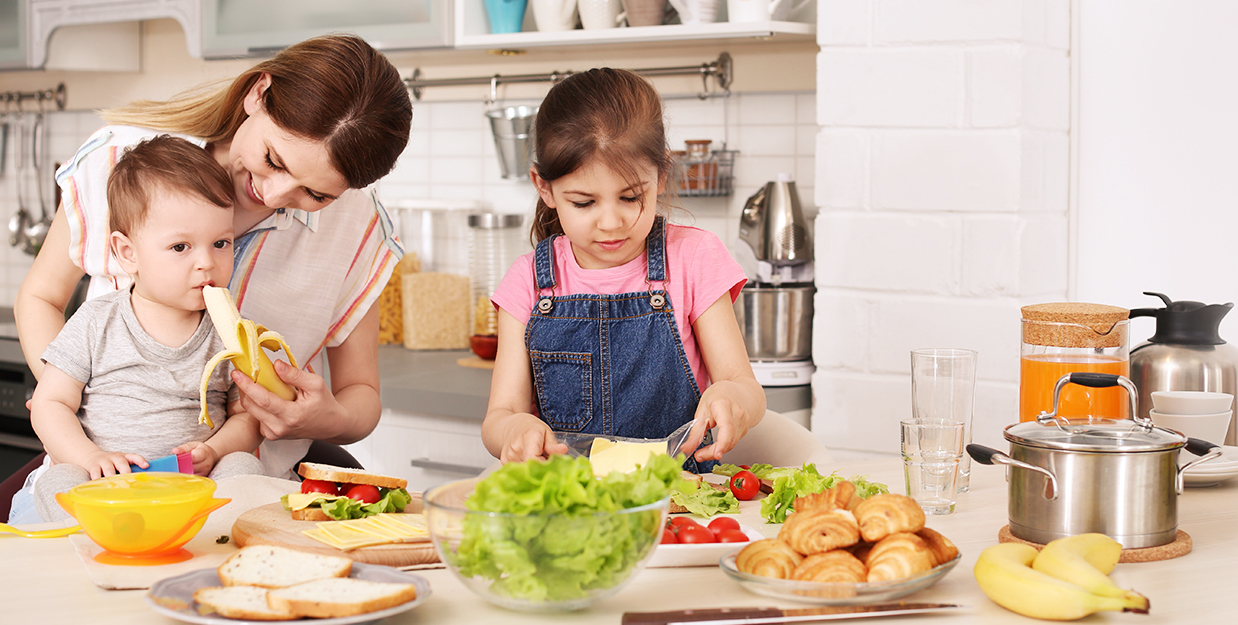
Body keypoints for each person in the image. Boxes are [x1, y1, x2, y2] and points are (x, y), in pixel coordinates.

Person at [15, 34, 412, 479]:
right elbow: (41, 297)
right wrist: (63, 390)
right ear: (257, 94)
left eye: (316, 193)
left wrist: (327, 419)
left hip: (243, 491)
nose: (274, 194)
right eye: (274, 159)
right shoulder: (120, 161)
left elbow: (361, 393)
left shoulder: (357, 226)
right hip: (103, 481)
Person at [481, 68, 766, 469]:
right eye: (584, 203)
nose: (611, 223)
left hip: (678, 500)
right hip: (571, 504)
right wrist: (514, 430)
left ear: (661, 175)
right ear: (544, 187)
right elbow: (500, 416)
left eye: (631, 197)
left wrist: (734, 399)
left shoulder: (693, 258)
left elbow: (746, 388)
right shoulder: (527, 280)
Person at [10, 136, 266, 524]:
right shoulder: (97, 321)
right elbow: (50, 405)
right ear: (127, 253)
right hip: (103, 487)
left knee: (244, 466)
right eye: (181, 247)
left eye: (220, 243)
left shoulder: (229, 332)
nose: (206, 263)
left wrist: (214, 451)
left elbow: (245, 418)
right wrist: (89, 458)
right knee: (59, 480)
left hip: (191, 489)